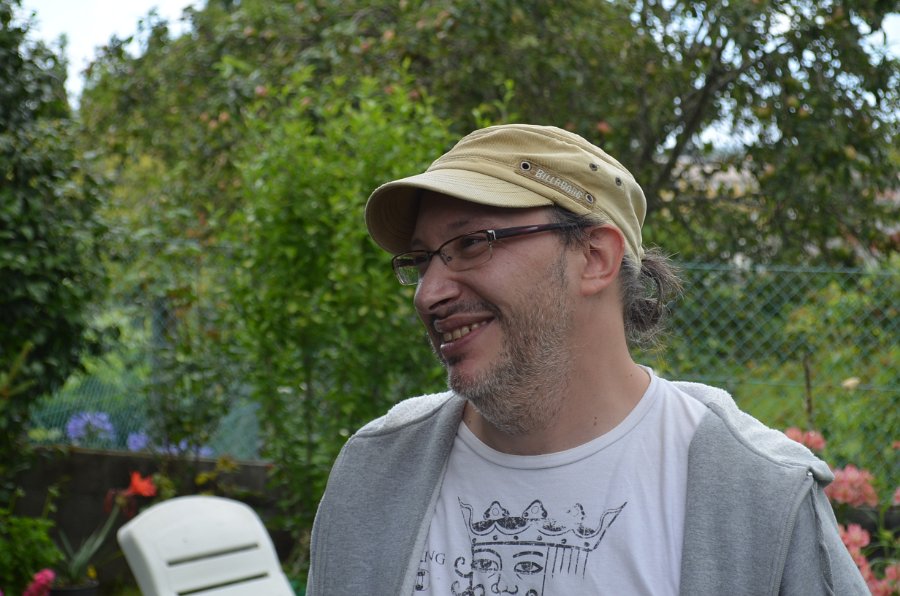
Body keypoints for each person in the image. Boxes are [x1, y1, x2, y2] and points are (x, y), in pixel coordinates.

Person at [305, 124, 867, 595]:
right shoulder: (375, 472)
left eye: (472, 243)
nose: (429, 294)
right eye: (422, 260)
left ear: (595, 256)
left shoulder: (759, 494)